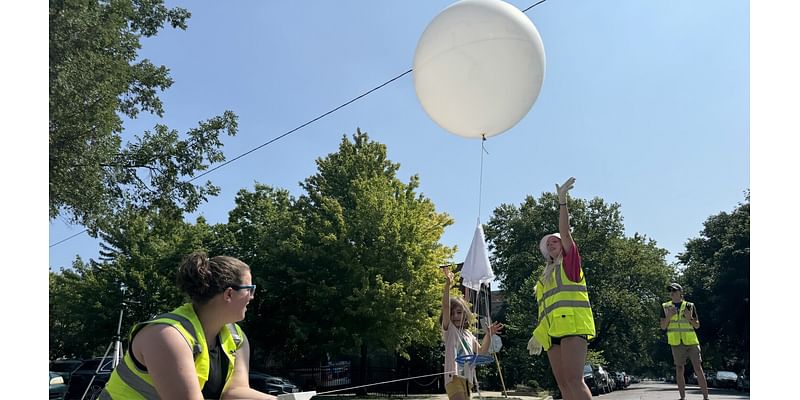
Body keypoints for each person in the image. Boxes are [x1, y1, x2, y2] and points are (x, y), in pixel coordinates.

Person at [101, 252, 276, 400]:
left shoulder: (236, 336)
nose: (252, 296)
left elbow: (234, 392)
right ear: (229, 294)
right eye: (250, 289)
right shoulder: (167, 335)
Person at [526, 177, 595, 400]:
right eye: (548, 244)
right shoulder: (543, 278)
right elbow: (545, 311)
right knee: (564, 385)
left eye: (553, 241)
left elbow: (565, 234)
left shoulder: (570, 264)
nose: (551, 243)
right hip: (551, 333)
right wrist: (537, 335)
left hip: (573, 327)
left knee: (575, 380)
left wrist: (562, 202)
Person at [441, 267, 503, 400]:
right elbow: (445, 307)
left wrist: (488, 335)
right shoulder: (450, 330)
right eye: (452, 313)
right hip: (454, 377)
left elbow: (481, 352)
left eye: (459, 312)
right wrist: (447, 285)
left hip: (467, 379)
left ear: (465, 313)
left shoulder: (469, 334)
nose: (455, 316)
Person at [660, 282, 710, 400]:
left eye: (674, 291)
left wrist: (690, 318)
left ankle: (706, 398)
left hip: (691, 341)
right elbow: (663, 326)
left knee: (698, 368)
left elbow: (697, 326)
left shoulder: (689, 306)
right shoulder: (666, 307)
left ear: (680, 293)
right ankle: (682, 398)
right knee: (679, 368)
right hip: (676, 342)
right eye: (670, 291)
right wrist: (669, 317)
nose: (672, 293)